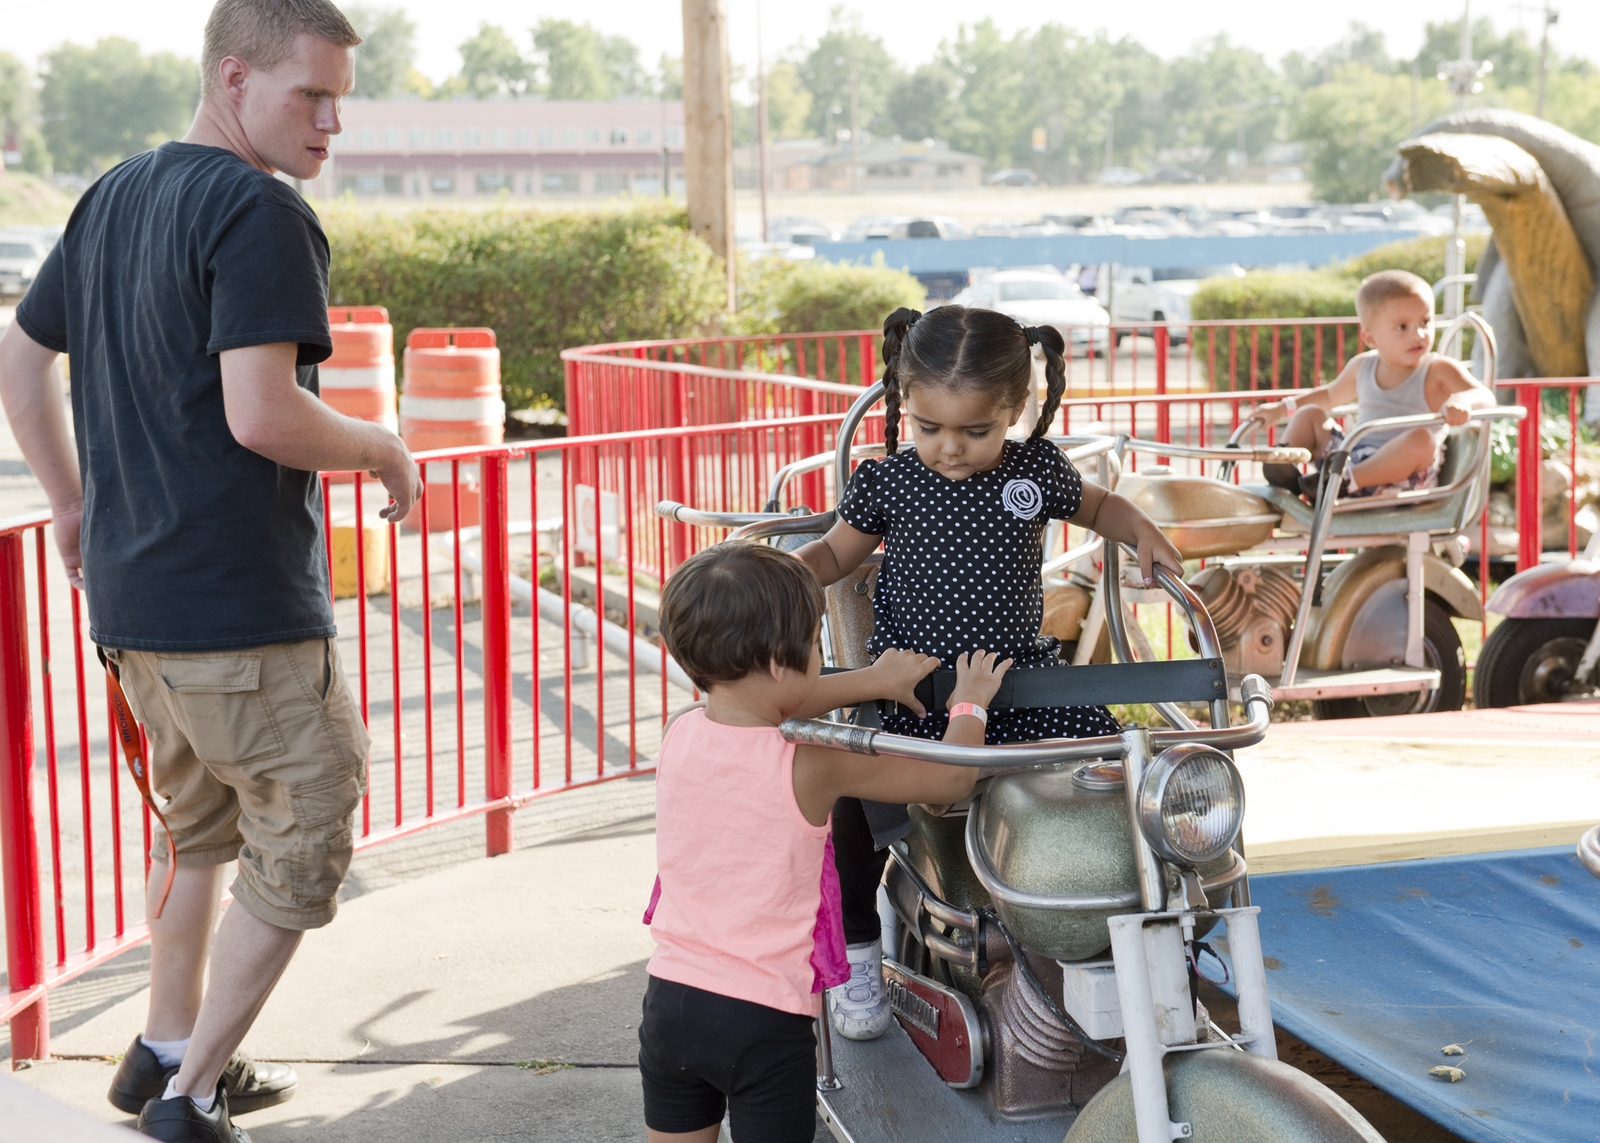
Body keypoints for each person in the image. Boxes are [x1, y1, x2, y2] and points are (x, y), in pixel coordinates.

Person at [0, 2, 421, 1140]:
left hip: (134, 608)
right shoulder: (259, 208)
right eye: (310, 94)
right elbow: (262, 413)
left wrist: (74, 506)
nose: (332, 122)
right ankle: (189, 1098)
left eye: (340, 98)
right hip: (239, 610)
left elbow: (18, 361)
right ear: (234, 79)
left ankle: (162, 1047)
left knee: (200, 833)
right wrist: (382, 447)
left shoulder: (114, 193)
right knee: (307, 825)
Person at [792, 304, 1184, 1041]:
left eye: (975, 430)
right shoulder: (890, 482)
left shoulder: (1033, 470)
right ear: (906, 408)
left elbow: (1101, 506)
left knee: (1122, 777)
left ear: (1014, 409)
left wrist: (1142, 532)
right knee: (845, 796)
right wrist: (779, 577)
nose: (949, 447)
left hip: (1018, 687)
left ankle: (1134, 928)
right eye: (928, 427)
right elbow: (836, 553)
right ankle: (859, 950)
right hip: (912, 691)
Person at [641, 541, 1011, 1143]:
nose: (820, 658)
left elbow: (764, 696)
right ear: (779, 662)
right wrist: (970, 701)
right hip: (762, 1020)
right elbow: (948, 779)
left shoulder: (679, 731)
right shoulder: (810, 764)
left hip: (671, 1002)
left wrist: (873, 679)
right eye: (816, 645)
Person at [1255, 269, 1494, 502]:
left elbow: (1485, 396)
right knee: (1310, 415)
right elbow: (1328, 396)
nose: (1418, 334)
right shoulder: (1362, 366)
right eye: (1402, 327)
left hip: (1402, 476)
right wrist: (1281, 409)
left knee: (1422, 439)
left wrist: (1462, 400)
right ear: (1370, 338)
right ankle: (1284, 470)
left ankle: (1340, 482)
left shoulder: (1437, 369)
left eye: (1425, 322)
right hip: (1354, 457)